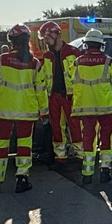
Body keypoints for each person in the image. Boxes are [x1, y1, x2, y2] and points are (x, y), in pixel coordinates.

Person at [0, 24, 48, 193]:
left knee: (0, 144)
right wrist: (44, 111)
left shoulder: (2, 60)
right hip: (27, 111)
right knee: (25, 145)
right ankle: (22, 179)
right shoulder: (34, 63)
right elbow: (41, 89)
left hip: (3, 111)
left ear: (11, 41)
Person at [65, 28, 112, 184]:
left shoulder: (76, 62)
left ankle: (87, 173)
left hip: (85, 107)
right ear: (101, 45)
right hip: (105, 107)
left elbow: (71, 80)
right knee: (106, 138)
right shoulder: (108, 61)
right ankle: (105, 170)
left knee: (88, 138)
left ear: (86, 45)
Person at [37, 21, 81, 167]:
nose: (46, 41)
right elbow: (42, 79)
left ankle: (81, 157)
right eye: (44, 38)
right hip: (53, 96)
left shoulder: (73, 53)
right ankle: (60, 158)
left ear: (57, 34)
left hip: (71, 96)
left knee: (76, 127)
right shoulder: (47, 56)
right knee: (56, 127)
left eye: (48, 37)